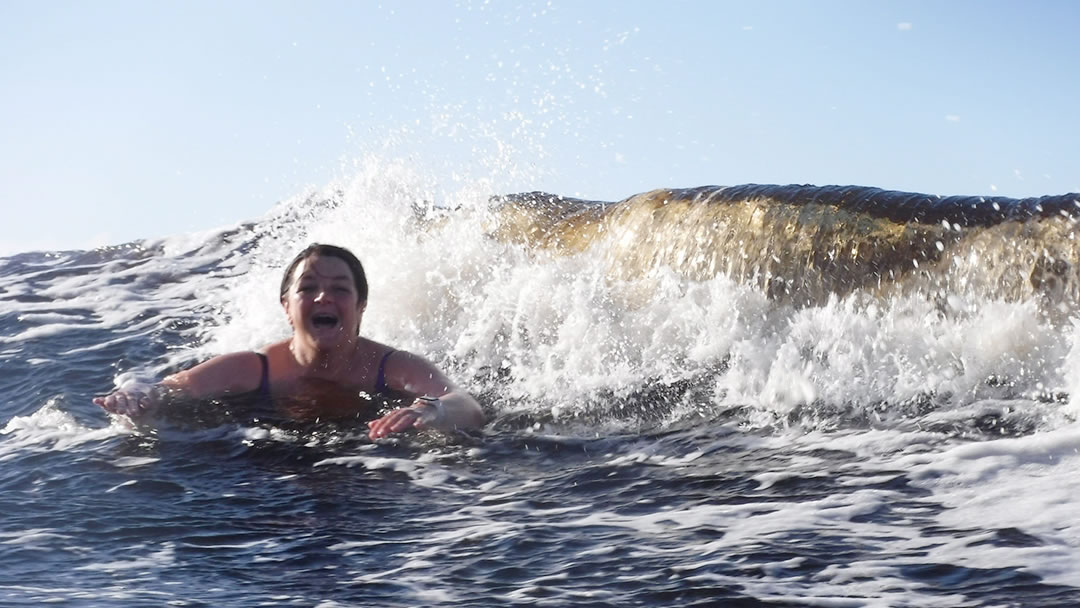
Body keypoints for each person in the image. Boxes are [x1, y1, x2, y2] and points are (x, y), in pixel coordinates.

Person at [94, 243, 485, 440]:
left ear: (361, 306)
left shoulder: (392, 367)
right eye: (308, 288)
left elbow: (465, 404)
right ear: (286, 306)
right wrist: (136, 395)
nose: (322, 298)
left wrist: (430, 410)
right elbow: (170, 387)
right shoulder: (255, 367)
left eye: (339, 289)